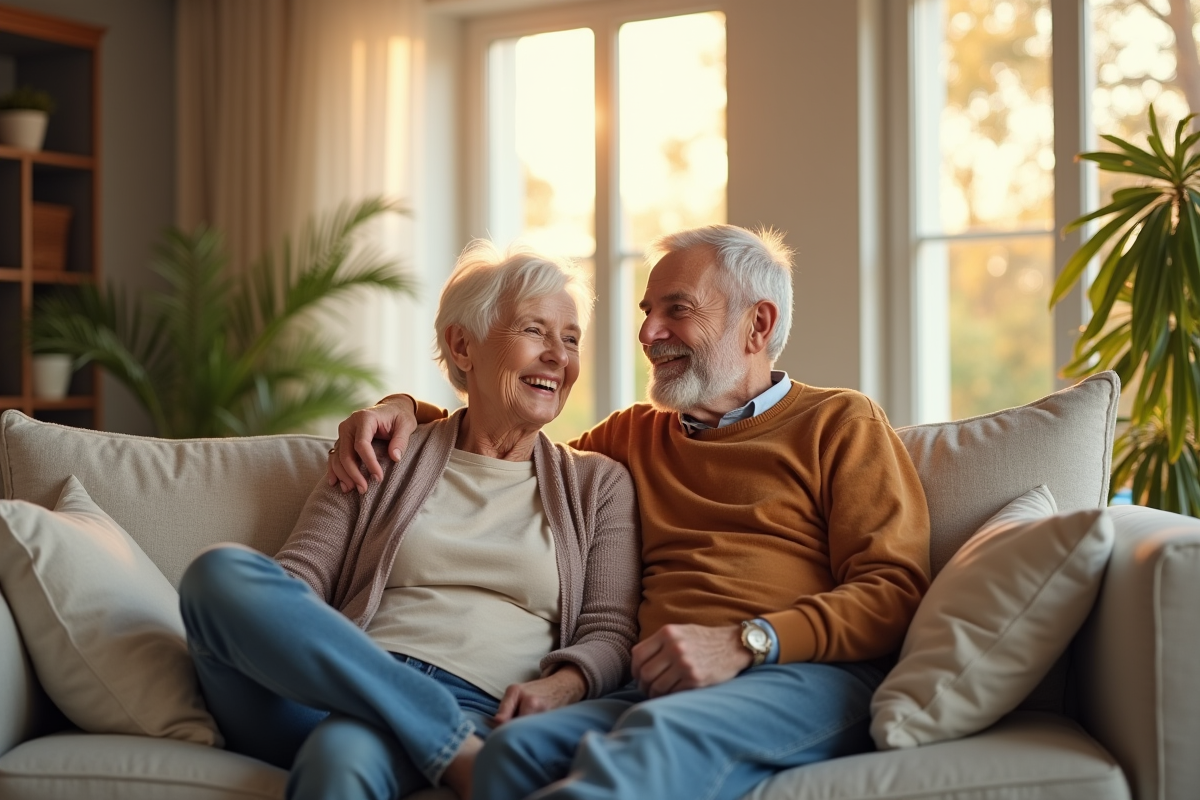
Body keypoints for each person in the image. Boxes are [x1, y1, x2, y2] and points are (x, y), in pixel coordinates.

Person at [327, 224, 932, 800]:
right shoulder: (632, 437)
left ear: (758, 323)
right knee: (510, 750)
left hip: (799, 673)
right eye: (647, 312)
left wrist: (747, 641)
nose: (647, 334)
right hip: (651, 687)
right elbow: (511, 443)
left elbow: (895, 589)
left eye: (677, 309)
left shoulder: (840, 423)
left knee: (657, 739)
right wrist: (403, 409)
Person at [177, 241, 641, 800]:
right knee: (218, 574)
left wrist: (566, 685)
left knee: (341, 757)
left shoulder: (598, 484)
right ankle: (445, 742)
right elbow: (300, 578)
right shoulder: (383, 452)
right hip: (338, 688)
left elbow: (609, 631)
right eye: (534, 331)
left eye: (570, 340)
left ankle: (430, 729)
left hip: (483, 706)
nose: (558, 356)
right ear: (462, 345)